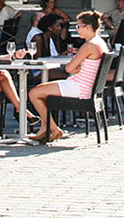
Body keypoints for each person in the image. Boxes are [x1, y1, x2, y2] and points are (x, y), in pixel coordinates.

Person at [28, 11, 109, 143]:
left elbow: (68, 68)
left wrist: (76, 65)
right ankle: (45, 127)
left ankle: (53, 128)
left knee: (34, 93)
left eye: (78, 27)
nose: (77, 30)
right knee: (41, 89)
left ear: (87, 27)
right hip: (88, 88)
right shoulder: (100, 43)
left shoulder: (89, 45)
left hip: (79, 88)